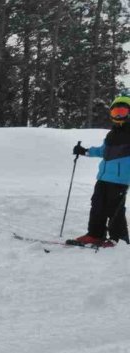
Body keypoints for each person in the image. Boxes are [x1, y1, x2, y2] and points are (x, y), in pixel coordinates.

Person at [69, 95, 130, 247]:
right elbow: (103, 151)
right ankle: (95, 235)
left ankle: (119, 240)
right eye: (115, 112)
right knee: (97, 205)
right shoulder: (112, 134)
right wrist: (85, 151)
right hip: (103, 178)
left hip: (119, 179)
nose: (118, 115)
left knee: (114, 209)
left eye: (122, 111)